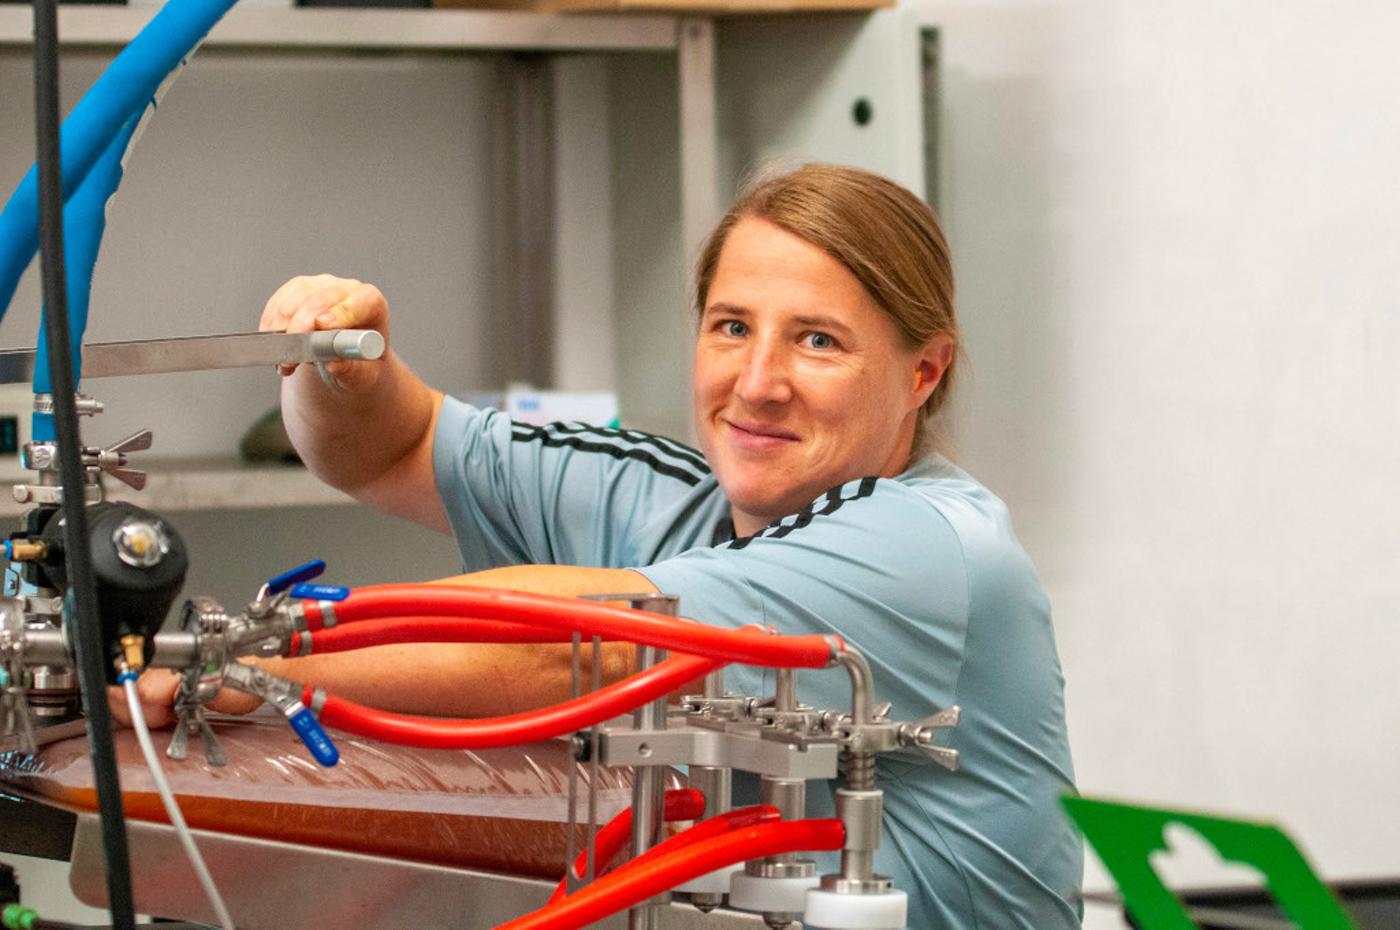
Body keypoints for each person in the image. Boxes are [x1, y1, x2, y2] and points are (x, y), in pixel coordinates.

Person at [119, 163, 1082, 927]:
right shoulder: (667, 495)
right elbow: (392, 447)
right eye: (732, 327)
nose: (757, 383)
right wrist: (336, 366)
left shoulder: (927, 545)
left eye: (818, 341)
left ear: (923, 372)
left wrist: (246, 664)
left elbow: (581, 647)